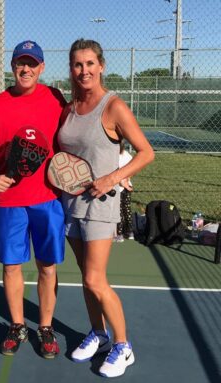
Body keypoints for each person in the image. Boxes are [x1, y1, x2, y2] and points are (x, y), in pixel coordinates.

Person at [57, 39, 154, 378]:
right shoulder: (69, 108)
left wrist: (112, 177)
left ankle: (123, 345)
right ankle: (98, 334)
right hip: (70, 204)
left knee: (96, 280)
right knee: (86, 280)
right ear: (71, 69)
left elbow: (145, 152)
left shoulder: (113, 107)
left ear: (101, 66)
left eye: (89, 64)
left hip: (100, 205)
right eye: (77, 64)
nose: (83, 70)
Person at [0, 40, 66, 359]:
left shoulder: (56, 100)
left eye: (32, 63)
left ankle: (45, 327)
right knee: (12, 266)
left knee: (47, 266)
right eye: (20, 63)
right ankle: (17, 325)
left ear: (42, 68)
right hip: (9, 202)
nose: (25, 68)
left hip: (48, 199)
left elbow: (75, 138)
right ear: (12, 66)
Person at [114, 140, 134, 242]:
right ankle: (130, 232)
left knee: (119, 211)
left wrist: (122, 181)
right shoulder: (128, 155)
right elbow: (133, 170)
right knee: (127, 210)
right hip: (127, 187)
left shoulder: (113, 157)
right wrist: (126, 179)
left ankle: (119, 234)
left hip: (118, 188)